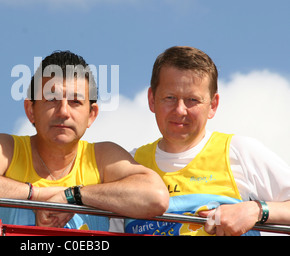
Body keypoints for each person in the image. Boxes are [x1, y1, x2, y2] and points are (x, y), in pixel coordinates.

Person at [0, 50, 168, 232]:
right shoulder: (8, 149)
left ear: (92, 114)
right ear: (31, 110)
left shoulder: (101, 156)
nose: (63, 112)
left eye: (76, 102)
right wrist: (37, 195)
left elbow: (155, 197)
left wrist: (73, 196)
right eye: (51, 100)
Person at [124, 46, 290, 236]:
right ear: (152, 99)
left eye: (192, 100)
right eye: (170, 97)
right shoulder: (128, 163)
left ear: (213, 105)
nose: (180, 110)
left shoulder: (239, 151)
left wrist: (255, 210)